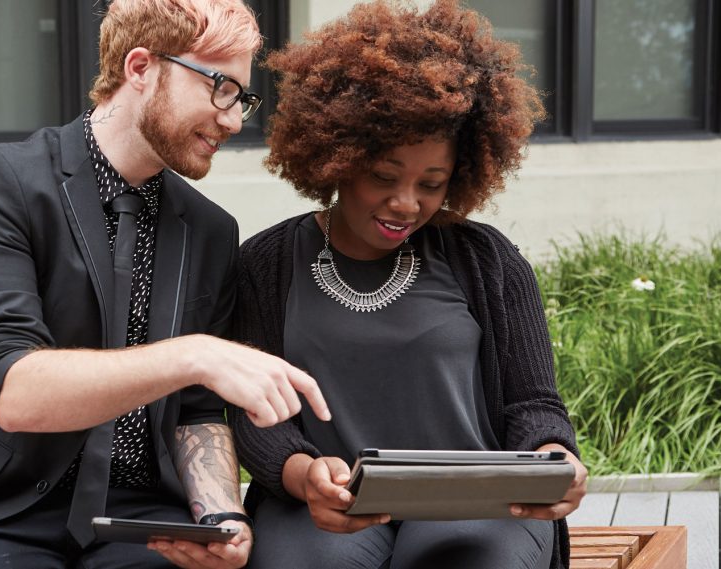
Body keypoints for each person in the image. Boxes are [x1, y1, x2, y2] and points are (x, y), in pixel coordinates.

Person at [0, 1, 330, 568]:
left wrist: (222, 517)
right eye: (221, 87)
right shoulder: (3, 180)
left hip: (144, 517)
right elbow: (12, 388)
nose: (232, 119)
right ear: (141, 67)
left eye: (241, 99)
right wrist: (192, 355)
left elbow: (198, 412)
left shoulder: (211, 231)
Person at [227, 1, 587, 568]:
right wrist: (303, 476)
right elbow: (257, 420)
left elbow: (533, 402)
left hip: (478, 502)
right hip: (322, 507)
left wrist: (554, 458)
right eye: (384, 177)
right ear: (336, 156)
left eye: (431, 183)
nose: (406, 204)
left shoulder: (487, 261)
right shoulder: (265, 265)